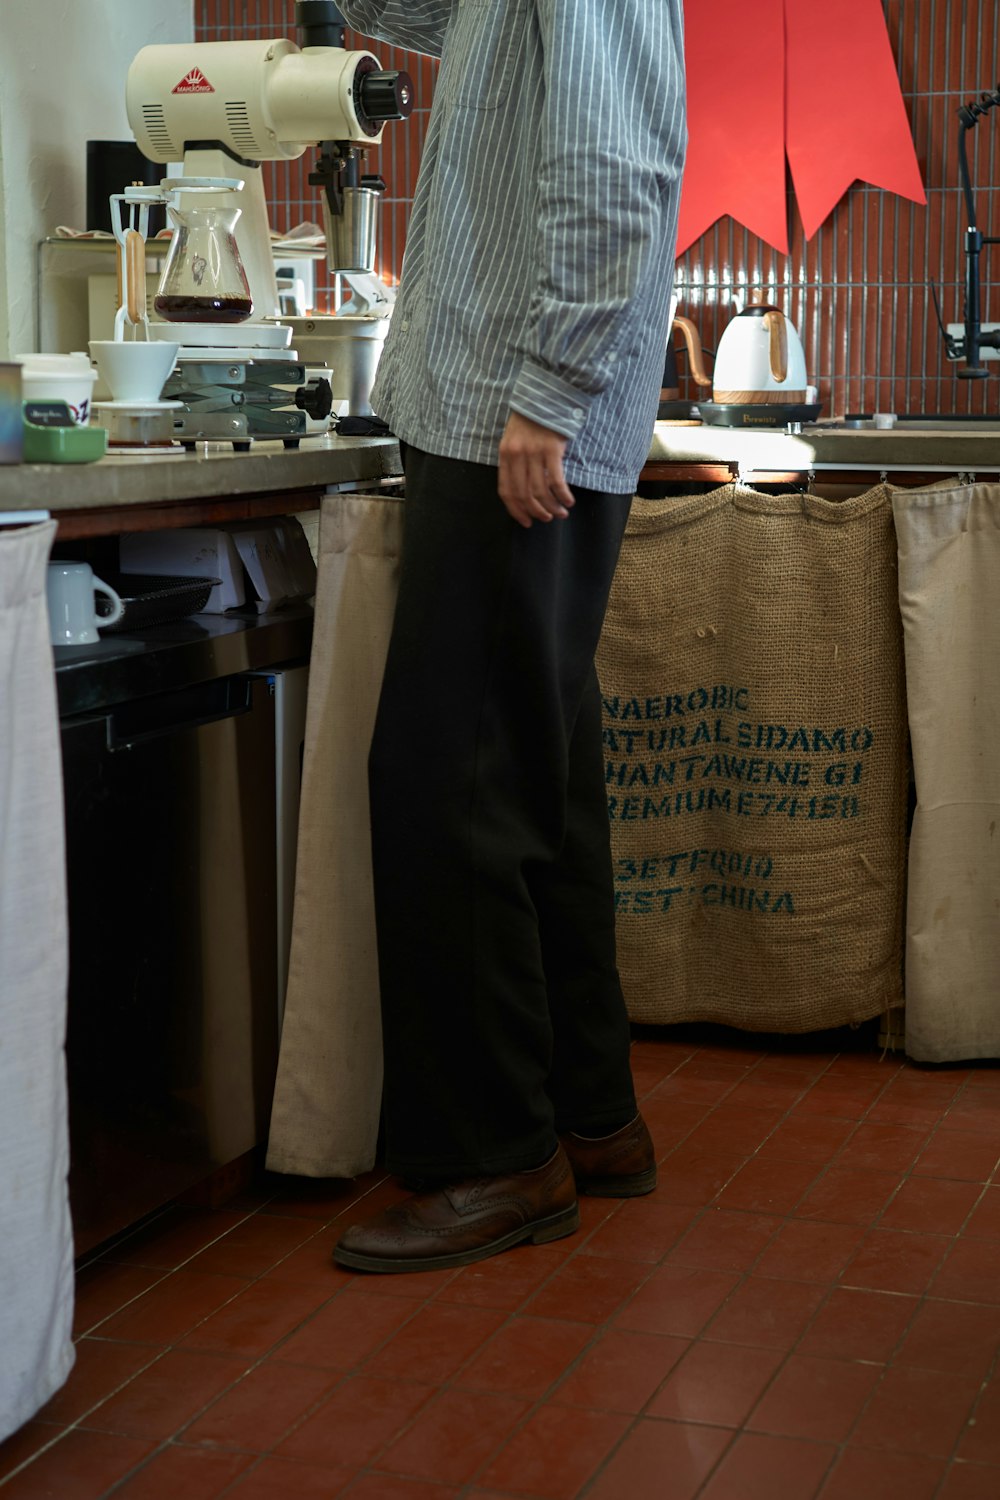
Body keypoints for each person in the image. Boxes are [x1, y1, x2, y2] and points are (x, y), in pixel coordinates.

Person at [332, 0, 687, 1273]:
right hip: (494, 411)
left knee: (451, 788)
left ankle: (499, 1159)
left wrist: (548, 384)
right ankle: (590, 1119)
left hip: (508, 419)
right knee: (537, 782)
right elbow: (410, 12)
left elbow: (615, 162)